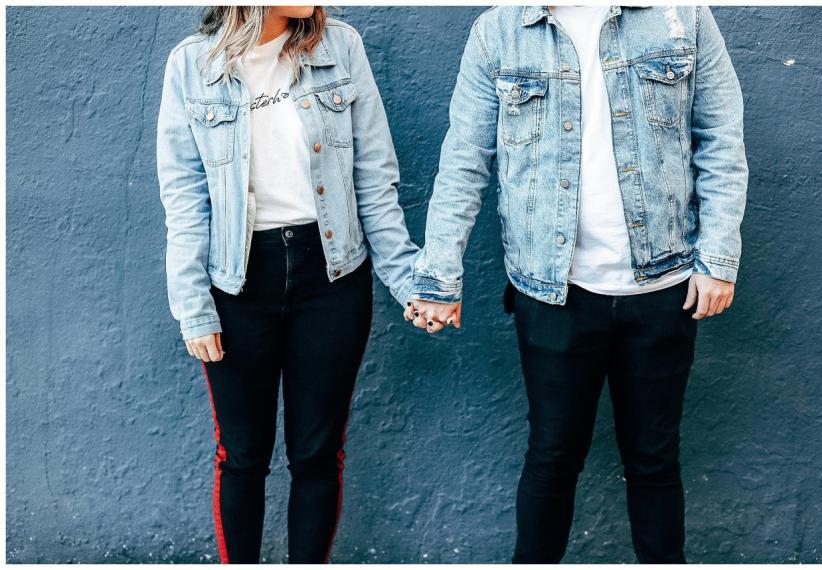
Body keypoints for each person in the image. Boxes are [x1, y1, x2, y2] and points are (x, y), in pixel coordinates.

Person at [405, 5, 748, 563]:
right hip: (552, 290)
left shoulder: (681, 14)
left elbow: (721, 138)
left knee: (655, 460)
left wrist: (717, 259)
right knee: (552, 455)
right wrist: (440, 275)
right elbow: (465, 157)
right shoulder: (500, 29)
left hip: (666, 284)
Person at [156, 6, 418, 563]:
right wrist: (193, 307)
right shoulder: (190, 66)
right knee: (242, 455)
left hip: (332, 276)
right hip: (238, 282)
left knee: (318, 454)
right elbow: (184, 198)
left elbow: (374, 176)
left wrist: (407, 281)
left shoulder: (341, 48)